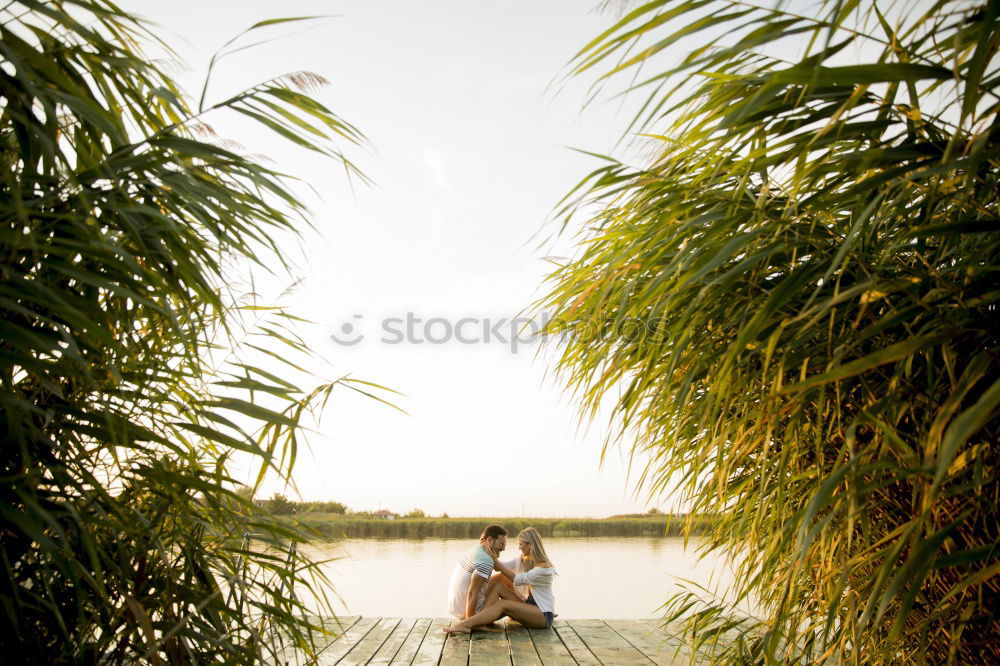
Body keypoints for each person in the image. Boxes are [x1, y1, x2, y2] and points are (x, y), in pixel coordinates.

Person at [443, 527, 556, 633]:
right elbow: (501, 567)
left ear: (530, 545)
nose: (519, 547)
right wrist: (484, 547)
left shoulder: (544, 568)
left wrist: (493, 560)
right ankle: (479, 621)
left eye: (521, 544)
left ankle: (467, 625)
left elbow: (518, 579)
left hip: (543, 615)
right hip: (529, 607)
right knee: (498, 586)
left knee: (503, 604)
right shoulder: (524, 559)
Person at [446, 524, 508, 620]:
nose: (504, 549)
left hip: (457, 608)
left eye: (505, 545)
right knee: (508, 606)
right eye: (501, 544)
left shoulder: (476, 551)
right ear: (490, 540)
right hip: (468, 612)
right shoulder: (486, 561)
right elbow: (472, 592)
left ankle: (523, 609)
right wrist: (469, 622)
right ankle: (526, 611)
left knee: (501, 577)